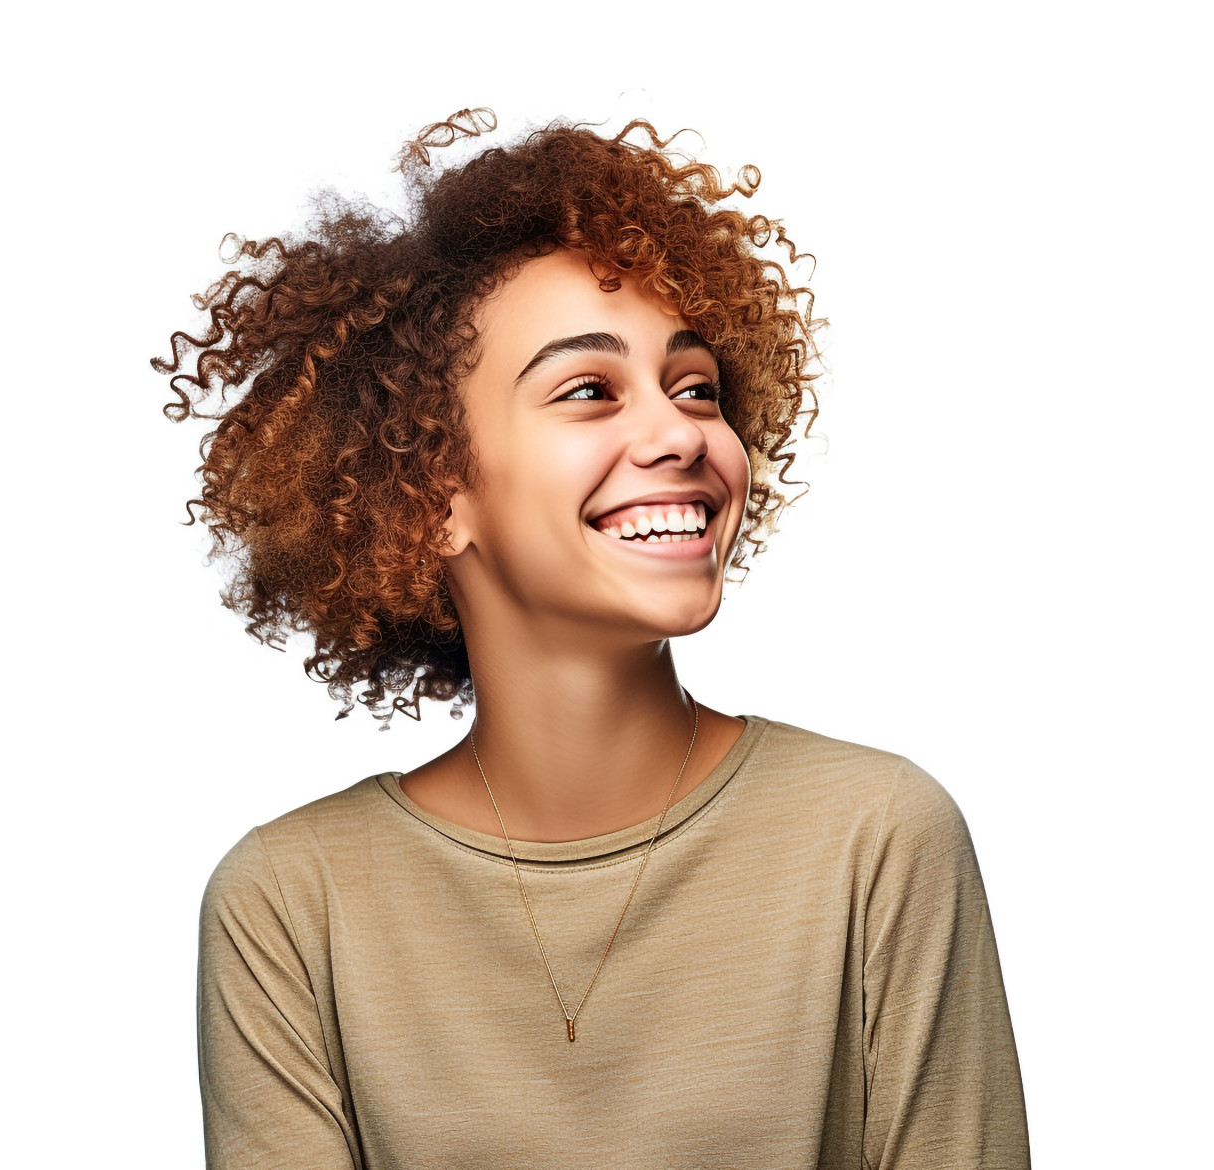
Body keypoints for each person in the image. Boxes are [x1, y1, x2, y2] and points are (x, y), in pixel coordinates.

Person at [155, 109, 1029, 1169]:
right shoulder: (291, 904)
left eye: (695, 387)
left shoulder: (876, 837)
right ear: (429, 495)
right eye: (587, 391)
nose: (679, 434)